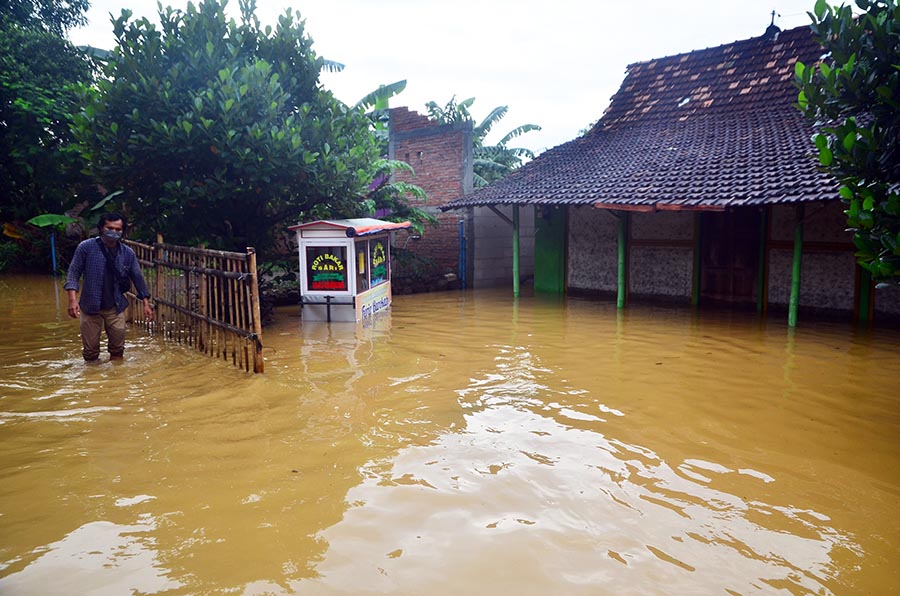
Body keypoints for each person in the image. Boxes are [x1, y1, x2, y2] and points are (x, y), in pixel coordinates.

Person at [65, 212, 154, 361]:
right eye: (110, 228)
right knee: (90, 352)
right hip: (90, 305)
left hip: (115, 306)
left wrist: (146, 303)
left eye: (118, 229)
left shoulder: (127, 253)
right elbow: (73, 273)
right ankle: (92, 375)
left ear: (122, 231)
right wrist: (72, 300)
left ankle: (117, 374)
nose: (114, 232)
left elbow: (137, 277)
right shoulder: (86, 247)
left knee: (118, 349)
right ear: (101, 228)